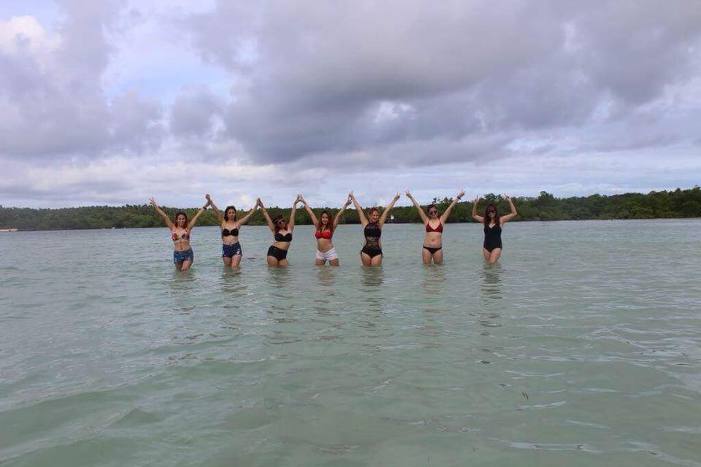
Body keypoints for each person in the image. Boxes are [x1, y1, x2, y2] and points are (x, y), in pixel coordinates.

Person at [149, 196, 209, 271]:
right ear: (177, 220)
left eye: (183, 219)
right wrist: (155, 205)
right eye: (179, 219)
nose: (181, 220)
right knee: (179, 274)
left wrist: (206, 205)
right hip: (177, 253)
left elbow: (197, 216)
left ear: (185, 219)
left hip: (188, 253)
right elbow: (164, 216)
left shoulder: (188, 227)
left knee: (184, 270)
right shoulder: (172, 228)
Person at [406, 190, 465, 264]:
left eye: (435, 211)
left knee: (439, 269)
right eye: (431, 212)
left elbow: (450, 207)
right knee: (427, 269)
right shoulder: (426, 221)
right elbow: (418, 208)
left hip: (438, 249)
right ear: (429, 214)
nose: (433, 213)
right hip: (426, 248)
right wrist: (410, 197)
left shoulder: (442, 220)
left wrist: (459, 196)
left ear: (437, 211)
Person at [205, 194, 258, 268]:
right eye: (229, 213)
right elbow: (216, 210)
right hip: (226, 248)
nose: (231, 214)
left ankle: (237, 275)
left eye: (233, 212)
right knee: (227, 269)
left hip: (236, 247)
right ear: (226, 214)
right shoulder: (223, 222)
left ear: (235, 214)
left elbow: (249, 215)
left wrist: (256, 205)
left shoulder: (238, 223)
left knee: (234, 267)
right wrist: (209, 200)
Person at [349, 192, 401, 266]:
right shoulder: (365, 223)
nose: (376, 217)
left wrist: (395, 199)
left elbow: (387, 211)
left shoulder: (379, 224)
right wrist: (352, 197)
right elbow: (359, 210)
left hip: (377, 252)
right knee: (367, 272)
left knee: (376, 272)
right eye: (374, 215)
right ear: (370, 215)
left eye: (377, 215)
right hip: (366, 252)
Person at [300, 195, 352, 266]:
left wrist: (346, 205)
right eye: (323, 217)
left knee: (334, 271)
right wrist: (304, 202)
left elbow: (338, 215)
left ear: (329, 219)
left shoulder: (331, 227)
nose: (324, 219)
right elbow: (311, 214)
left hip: (330, 252)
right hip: (320, 253)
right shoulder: (318, 226)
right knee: (319, 272)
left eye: (326, 218)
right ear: (321, 218)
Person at [258, 196, 303, 267]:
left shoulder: (290, 228)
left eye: (283, 221)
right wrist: (262, 206)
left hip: (283, 254)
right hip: (273, 252)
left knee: (285, 272)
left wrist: (295, 204)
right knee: (274, 273)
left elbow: (292, 215)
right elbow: (267, 217)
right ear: (277, 225)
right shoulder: (275, 230)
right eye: (279, 222)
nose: (282, 223)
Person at [471, 195, 518, 264]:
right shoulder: (485, 221)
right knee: (488, 266)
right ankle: (498, 270)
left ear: (495, 211)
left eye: (492, 211)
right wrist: (475, 204)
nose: (491, 213)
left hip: (497, 246)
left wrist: (510, 201)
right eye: (489, 212)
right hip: (486, 246)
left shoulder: (501, 220)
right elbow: (474, 215)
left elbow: (514, 213)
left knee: (492, 263)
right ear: (487, 213)